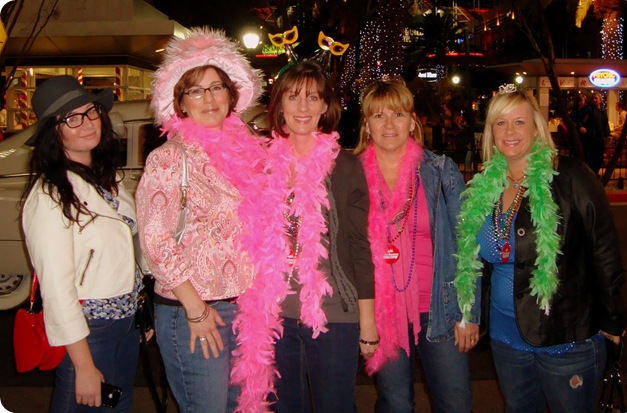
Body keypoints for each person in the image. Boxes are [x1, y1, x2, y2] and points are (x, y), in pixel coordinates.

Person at [454, 84, 627, 413]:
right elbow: (475, 264)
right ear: (490, 131)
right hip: (506, 339)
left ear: (536, 127)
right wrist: (468, 314)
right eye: (501, 123)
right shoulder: (484, 188)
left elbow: (604, 251)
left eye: (519, 122)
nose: (510, 132)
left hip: (565, 337)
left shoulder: (571, 176)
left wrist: (613, 319)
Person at [233, 60, 376, 413]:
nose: (303, 107)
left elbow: (360, 246)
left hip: (333, 315)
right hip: (274, 316)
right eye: (293, 96)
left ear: (325, 106)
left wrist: (368, 322)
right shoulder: (259, 164)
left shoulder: (345, 166)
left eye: (313, 98)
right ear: (279, 104)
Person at [135, 28, 264, 413]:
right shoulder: (169, 158)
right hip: (193, 310)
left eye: (216, 87)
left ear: (230, 95)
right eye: (195, 90)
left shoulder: (250, 155)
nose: (208, 99)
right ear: (181, 102)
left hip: (243, 311)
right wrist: (196, 309)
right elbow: (155, 241)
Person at [353, 78, 477, 413]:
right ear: (367, 125)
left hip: (440, 307)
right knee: (395, 404)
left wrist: (468, 312)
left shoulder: (439, 171)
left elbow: (466, 245)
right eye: (379, 115)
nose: (389, 124)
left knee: (455, 404)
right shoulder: (351, 176)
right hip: (382, 312)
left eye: (398, 114)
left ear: (412, 122)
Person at [21, 75, 141, 412]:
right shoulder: (50, 195)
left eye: (91, 112)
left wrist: (139, 308)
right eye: (71, 119)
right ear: (53, 132)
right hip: (89, 333)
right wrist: (84, 366)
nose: (87, 123)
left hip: (125, 323)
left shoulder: (108, 178)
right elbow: (57, 290)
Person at [582, 91, 610, 175]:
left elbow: (605, 122)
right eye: (593, 98)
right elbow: (583, 120)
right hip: (591, 137)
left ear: (600, 100)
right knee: (592, 157)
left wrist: (607, 134)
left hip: (600, 138)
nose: (594, 100)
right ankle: (592, 174)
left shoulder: (603, 110)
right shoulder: (589, 109)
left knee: (599, 158)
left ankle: (595, 173)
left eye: (596, 98)